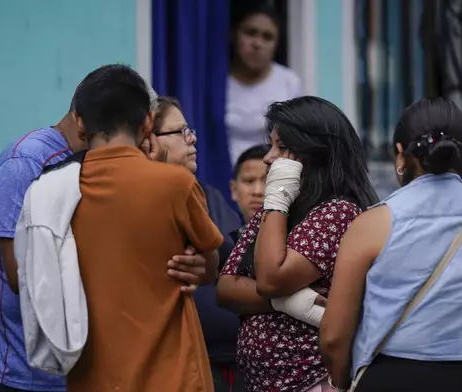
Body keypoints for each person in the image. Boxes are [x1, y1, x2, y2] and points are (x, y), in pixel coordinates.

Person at [0, 73, 212, 392]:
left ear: (82, 121)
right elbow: (20, 273)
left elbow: (210, 262)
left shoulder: (73, 181)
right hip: (38, 376)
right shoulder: (31, 165)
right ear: (147, 124)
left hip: (95, 371)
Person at [320, 98, 462, 392]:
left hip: (391, 380)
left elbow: (334, 337)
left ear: (400, 156)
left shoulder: (373, 225)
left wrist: (343, 382)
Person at [217, 96, 378, 392]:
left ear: (315, 153)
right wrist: (290, 301)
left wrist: (277, 196)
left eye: (282, 147)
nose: (268, 158)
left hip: (311, 381)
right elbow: (226, 287)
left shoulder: (338, 212)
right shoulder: (277, 210)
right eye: (271, 145)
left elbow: (272, 278)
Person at [153, 96, 245, 391]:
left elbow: (234, 259)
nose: (191, 139)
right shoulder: (144, 201)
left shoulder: (207, 195)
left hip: (225, 360)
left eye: (189, 130)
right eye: (179, 132)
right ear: (148, 142)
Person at [226, 5, 302, 165]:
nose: (257, 43)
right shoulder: (217, 82)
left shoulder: (288, 81)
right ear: (234, 34)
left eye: (267, 37)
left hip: (271, 172)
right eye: (250, 33)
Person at [230, 144, 268, 225]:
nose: (257, 191)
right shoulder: (219, 236)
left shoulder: (300, 236)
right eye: (249, 181)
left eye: (268, 181)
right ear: (234, 190)